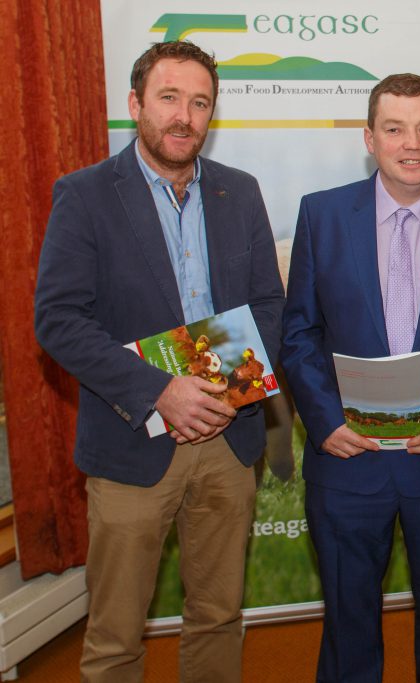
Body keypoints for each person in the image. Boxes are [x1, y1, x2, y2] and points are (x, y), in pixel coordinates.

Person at [34, 41, 284, 682]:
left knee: (218, 616)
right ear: (136, 105)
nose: (185, 116)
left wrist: (223, 395)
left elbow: (267, 306)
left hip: (229, 442)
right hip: (131, 447)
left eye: (200, 102)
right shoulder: (85, 195)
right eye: (170, 98)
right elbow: (58, 320)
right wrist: (162, 392)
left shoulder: (240, 192)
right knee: (116, 636)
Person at [280, 73, 420, 682]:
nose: (412, 143)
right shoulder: (321, 215)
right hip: (349, 459)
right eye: (395, 128)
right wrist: (323, 422)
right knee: (348, 626)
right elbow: (299, 332)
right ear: (369, 138)